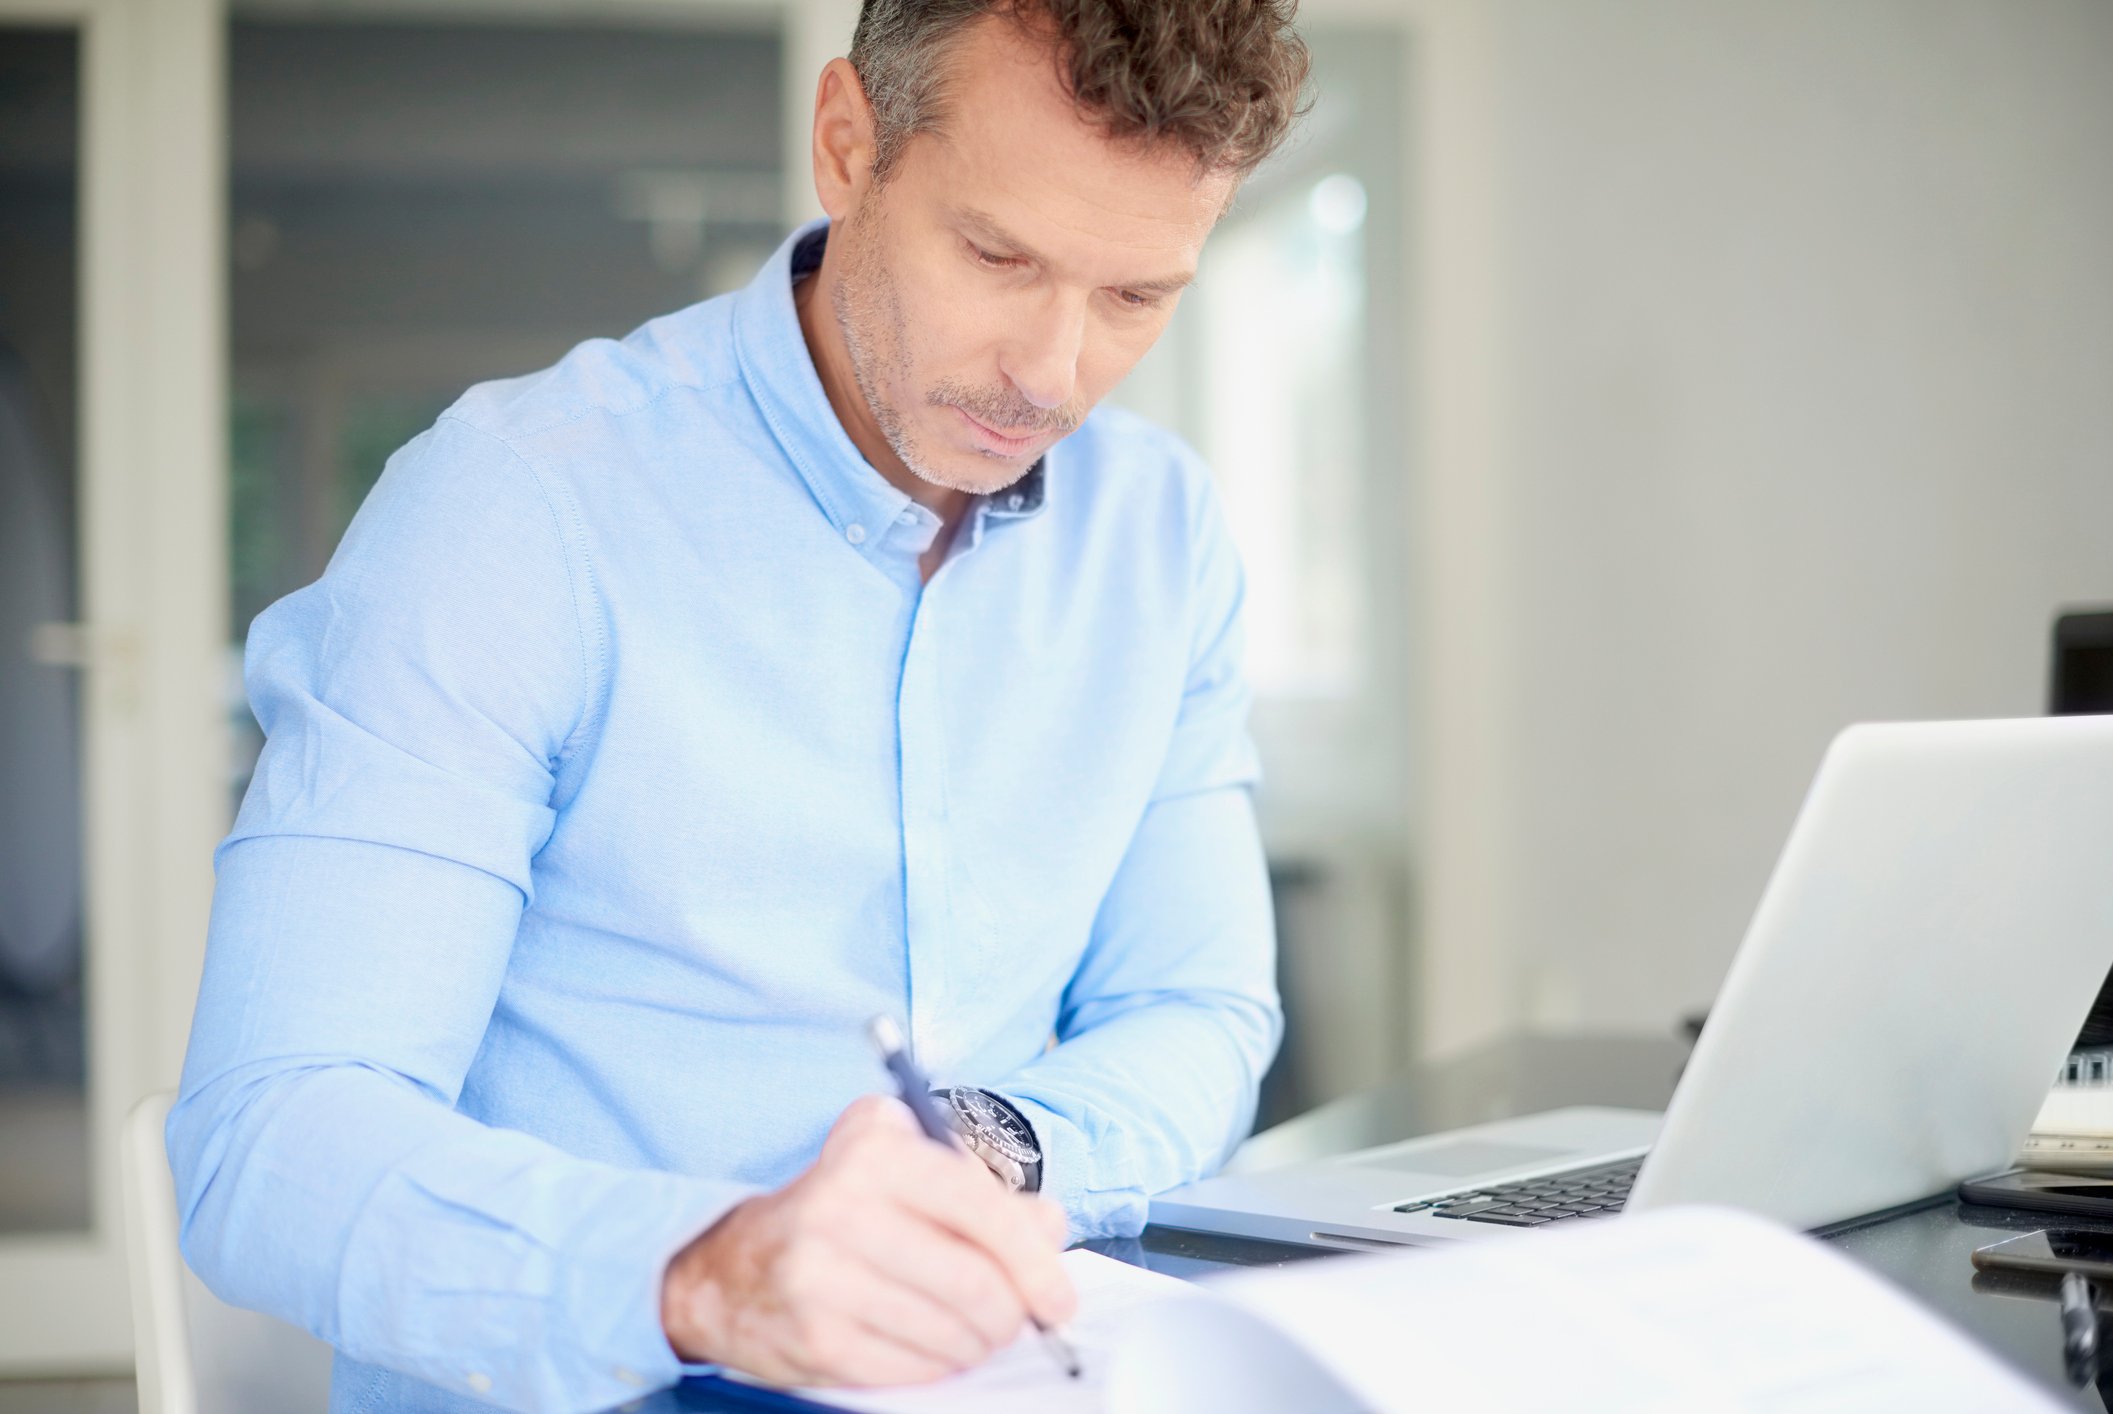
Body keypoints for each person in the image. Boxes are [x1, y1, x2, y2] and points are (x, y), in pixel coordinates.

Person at [168, 2, 1310, 1409]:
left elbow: (1195, 1006)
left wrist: (985, 1148)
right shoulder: (512, 513)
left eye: (1137, 296)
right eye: (998, 255)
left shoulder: (1160, 535)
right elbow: (270, 1136)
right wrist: (710, 1270)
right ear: (848, 144)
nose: (1051, 371)